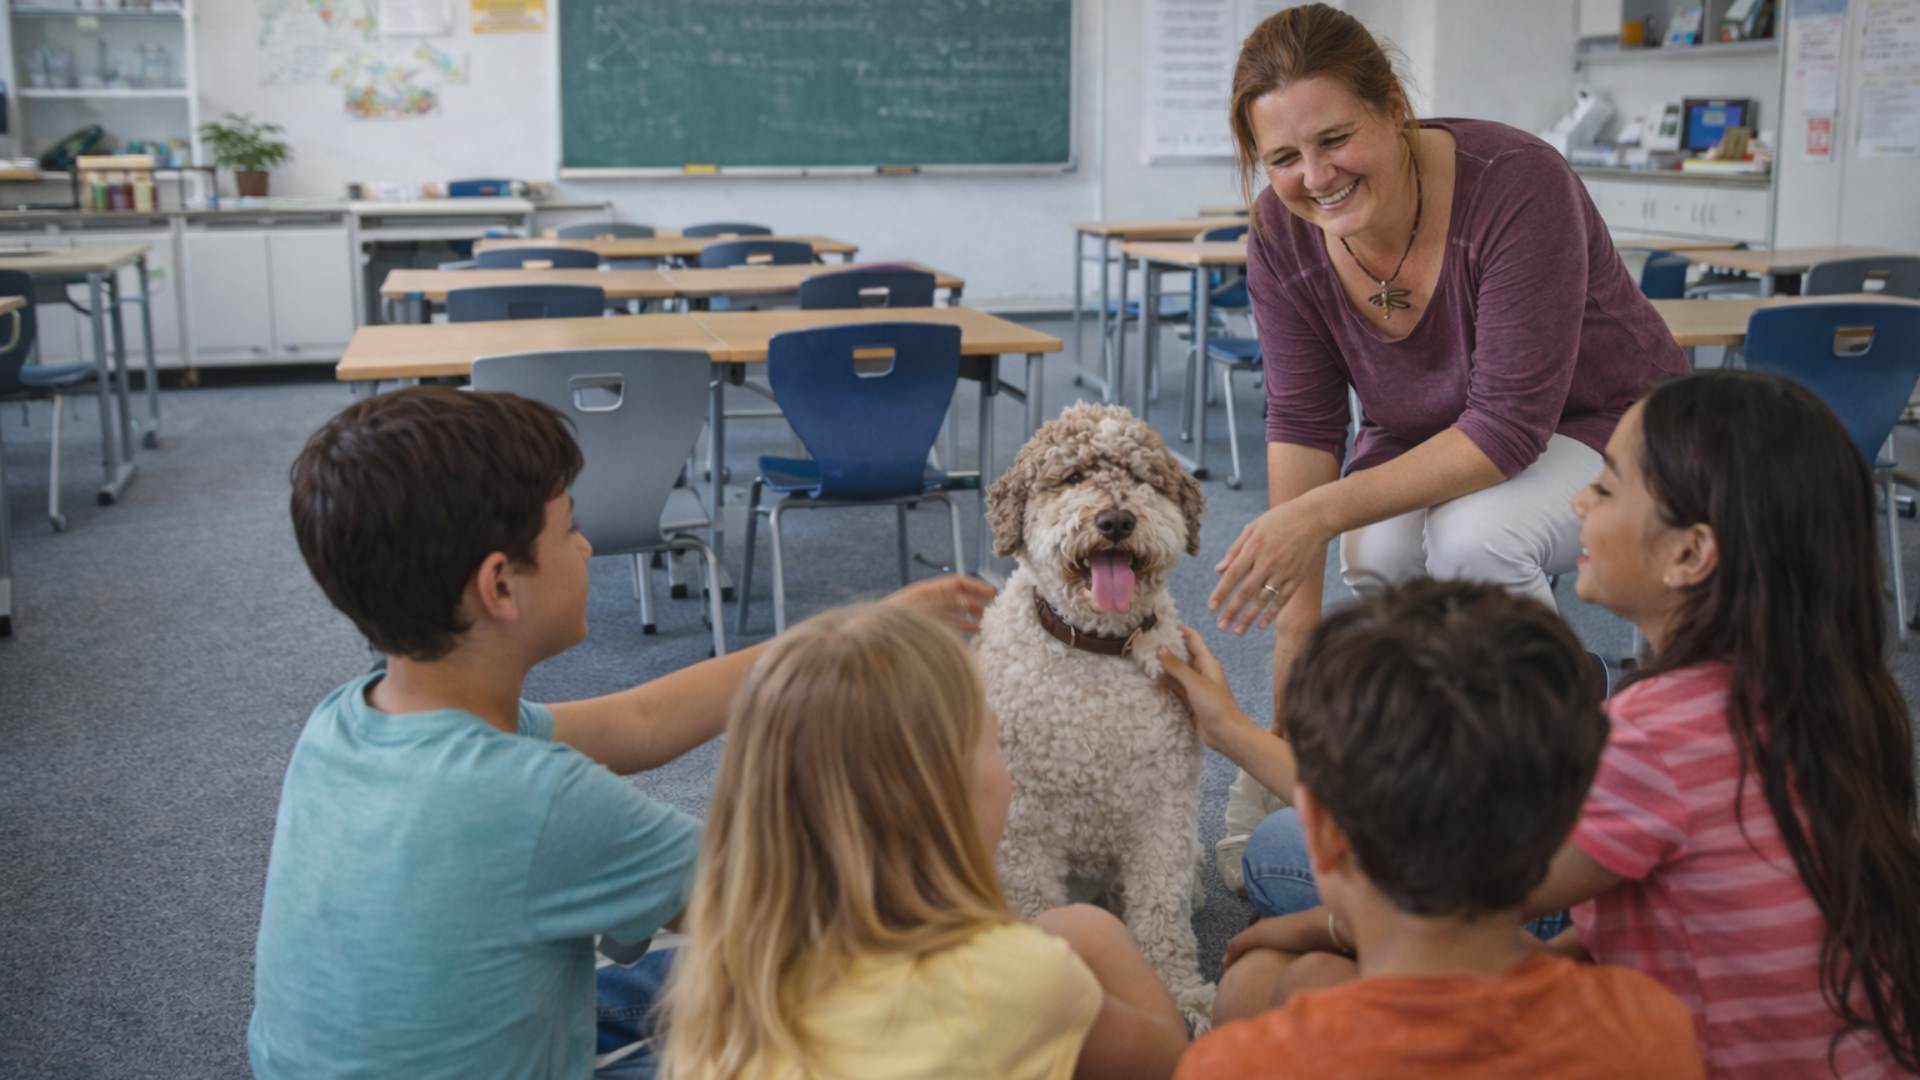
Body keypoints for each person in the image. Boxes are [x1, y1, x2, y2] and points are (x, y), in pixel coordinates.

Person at [251, 386, 994, 1079]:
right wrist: (962, 814)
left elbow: (643, 721)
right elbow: (801, 909)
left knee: (673, 975)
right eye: (569, 528)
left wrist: (851, 635)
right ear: (500, 585)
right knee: (820, 989)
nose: (585, 548)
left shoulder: (349, 718)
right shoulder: (536, 803)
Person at [1204, 2, 1688, 887]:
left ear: (1394, 107)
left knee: (1474, 540)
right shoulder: (1280, 233)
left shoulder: (1519, 181)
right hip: (1430, 435)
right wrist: (1282, 715)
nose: (1315, 176)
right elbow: (1305, 422)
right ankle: (1460, 762)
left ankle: (1562, 775)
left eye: (1335, 138)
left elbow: (1507, 427)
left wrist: (1312, 516)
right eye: (1283, 158)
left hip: (1603, 421)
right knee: (1377, 550)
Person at [1520, 370, 1920, 1075]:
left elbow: (1469, 892)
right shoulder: (1844, 696)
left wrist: (1333, 930)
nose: (1579, 500)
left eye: (1606, 487)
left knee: (1315, 894)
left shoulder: (1651, 732)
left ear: (1690, 553)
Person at [1166, 580, 1704, 1078]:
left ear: (1326, 839)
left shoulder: (1232, 1063)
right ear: (1565, 824)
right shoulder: (1654, 1031)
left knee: (1260, 968)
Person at [657, 603, 1189, 1080]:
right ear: (947, 799)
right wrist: (1098, 934)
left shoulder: (728, 978)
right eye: (994, 743)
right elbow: (1167, 1058)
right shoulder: (1022, 977)